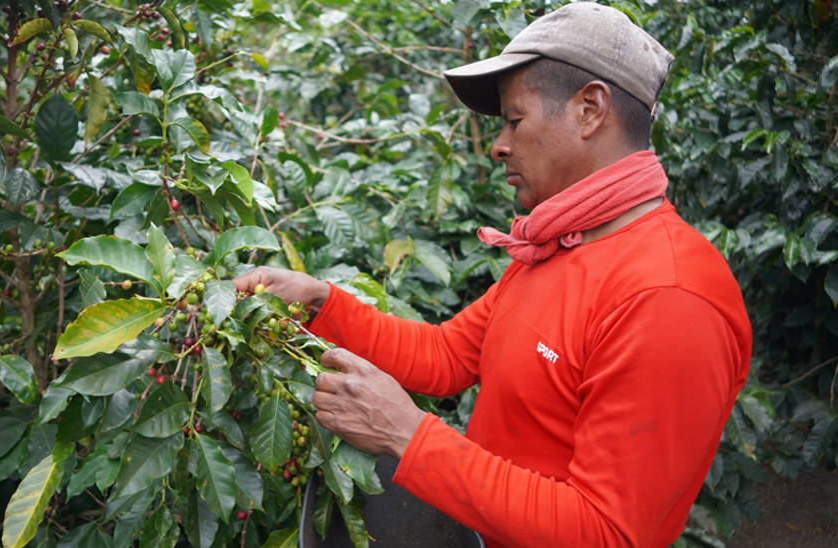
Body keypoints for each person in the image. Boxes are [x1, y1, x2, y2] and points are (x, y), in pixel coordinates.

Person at [233, 3, 752, 547]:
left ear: (590, 110)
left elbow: (608, 533)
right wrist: (320, 302)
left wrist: (409, 436)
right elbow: (446, 356)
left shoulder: (669, 297)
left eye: (514, 120)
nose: (499, 145)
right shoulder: (558, 247)